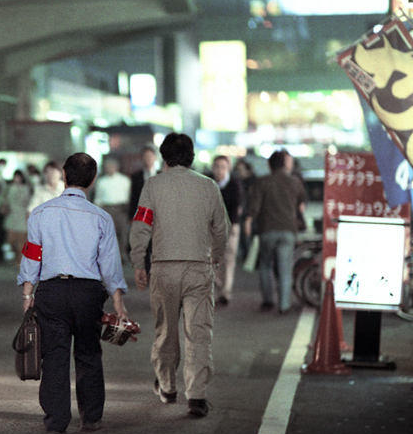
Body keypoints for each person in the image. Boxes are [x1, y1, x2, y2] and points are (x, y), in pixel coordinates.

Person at [18, 153, 128, 434]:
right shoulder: (101, 218)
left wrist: (28, 293)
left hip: (52, 291)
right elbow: (110, 264)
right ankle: (91, 417)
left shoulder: (41, 213)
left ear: (64, 175)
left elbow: (32, 256)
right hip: (88, 293)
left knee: (54, 355)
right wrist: (118, 300)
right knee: (88, 352)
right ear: (92, 180)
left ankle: (56, 422)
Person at [129, 133, 229, 418]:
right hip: (198, 267)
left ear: (164, 157)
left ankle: (167, 386)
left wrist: (139, 261)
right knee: (198, 333)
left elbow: (142, 226)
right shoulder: (208, 186)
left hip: (163, 268)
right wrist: (217, 255)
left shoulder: (153, 186)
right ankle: (196, 396)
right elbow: (221, 227)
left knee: (166, 332)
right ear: (192, 156)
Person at [243, 150, 307, 314]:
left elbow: (254, 206)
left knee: (265, 265)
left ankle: (268, 301)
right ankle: (284, 305)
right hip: (287, 230)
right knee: (285, 268)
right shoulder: (295, 182)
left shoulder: (262, 182)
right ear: (285, 164)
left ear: (270, 165)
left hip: (267, 230)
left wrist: (249, 221)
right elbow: (301, 205)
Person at [211, 155, 243, 306]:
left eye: (223, 167)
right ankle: (219, 287)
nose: (219, 170)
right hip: (211, 228)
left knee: (229, 261)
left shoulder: (234, 184)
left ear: (228, 168)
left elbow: (236, 208)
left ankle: (225, 293)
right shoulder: (209, 184)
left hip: (231, 227)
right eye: (217, 166)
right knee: (213, 261)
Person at [93, 157, 132, 258]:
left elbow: (128, 196)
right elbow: (98, 198)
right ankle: (110, 256)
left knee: (123, 233)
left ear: (116, 167)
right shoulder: (101, 182)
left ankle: (122, 255)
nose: (109, 168)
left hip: (120, 209)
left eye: (111, 166)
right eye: (107, 167)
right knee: (108, 234)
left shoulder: (125, 180)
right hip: (106, 209)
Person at [0, 169, 32, 264]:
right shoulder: (9, 188)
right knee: (11, 240)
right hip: (11, 216)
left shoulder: (26, 188)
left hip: (22, 216)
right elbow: (3, 199)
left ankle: (20, 261)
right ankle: (16, 256)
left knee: (21, 241)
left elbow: (29, 202)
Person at [128, 145, 159, 221]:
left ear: (155, 158)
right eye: (146, 156)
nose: (148, 159)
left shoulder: (161, 175)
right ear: (142, 159)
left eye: (150, 156)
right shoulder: (136, 177)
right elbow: (133, 198)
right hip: (142, 215)